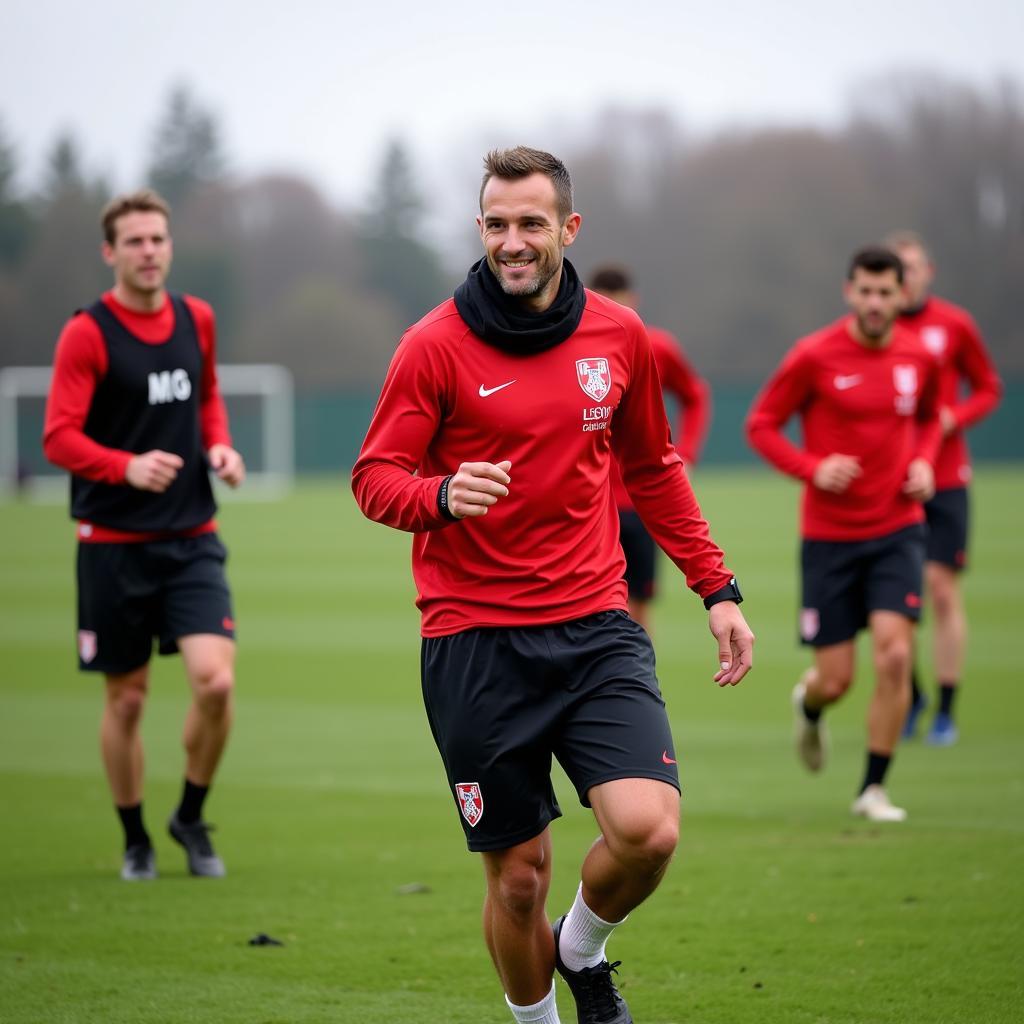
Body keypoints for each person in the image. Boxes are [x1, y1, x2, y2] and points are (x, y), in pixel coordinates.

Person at [352, 147, 753, 1024]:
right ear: (480, 230)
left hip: (596, 625)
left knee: (648, 832)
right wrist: (443, 495)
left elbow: (653, 467)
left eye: (531, 223)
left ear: (568, 229)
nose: (513, 241)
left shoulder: (619, 335)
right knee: (520, 878)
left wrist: (717, 589)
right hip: (475, 644)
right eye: (496, 224)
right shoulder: (432, 347)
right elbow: (374, 478)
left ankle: (583, 949)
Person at [42, 189, 245, 881]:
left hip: (192, 536)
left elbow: (207, 394)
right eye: (134, 241)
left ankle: (189, 815)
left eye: (157, 238)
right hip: (112, 543)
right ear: (111, 252)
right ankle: (134, 837)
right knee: (126, 698)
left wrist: (219, 448)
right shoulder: (88, 333)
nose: (148, 251)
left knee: (215, 684)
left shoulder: (197, 319)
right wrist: (124, 466)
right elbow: (58, 437)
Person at [746, 246, 941, 823]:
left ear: (902, 294)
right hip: (829, 538)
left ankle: (873, 790)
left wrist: (926, 461)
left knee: (896, 655)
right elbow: (761, 425)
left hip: (898, 529)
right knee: (836, 680)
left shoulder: (919, 356)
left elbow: (932, 417)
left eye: (887, 293)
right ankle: (809, 707)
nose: (876, 303)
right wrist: (813, 468)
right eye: (866, 292)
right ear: (849, 291)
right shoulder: (814, 355)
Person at [883, 231, 1003, 746]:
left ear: (928, 272)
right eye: (896, 269)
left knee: (941, 588)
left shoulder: (954, 325)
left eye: (912, 267)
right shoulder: (874, 332)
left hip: (947, 476)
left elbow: (988, 387)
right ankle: (911, 693)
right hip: (893, 482)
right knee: (896, 602)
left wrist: (953, 416)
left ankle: (947, 708)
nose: (904, 278)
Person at [588, 265, 712, 633]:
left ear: (633, 303)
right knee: (588, 610)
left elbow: (695, 396)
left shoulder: (654, 346)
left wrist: (686, 453)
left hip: (641, 502)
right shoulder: (570, 347)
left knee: (636, 615)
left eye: (619, 304)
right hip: (589, 501)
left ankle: (633, 689)